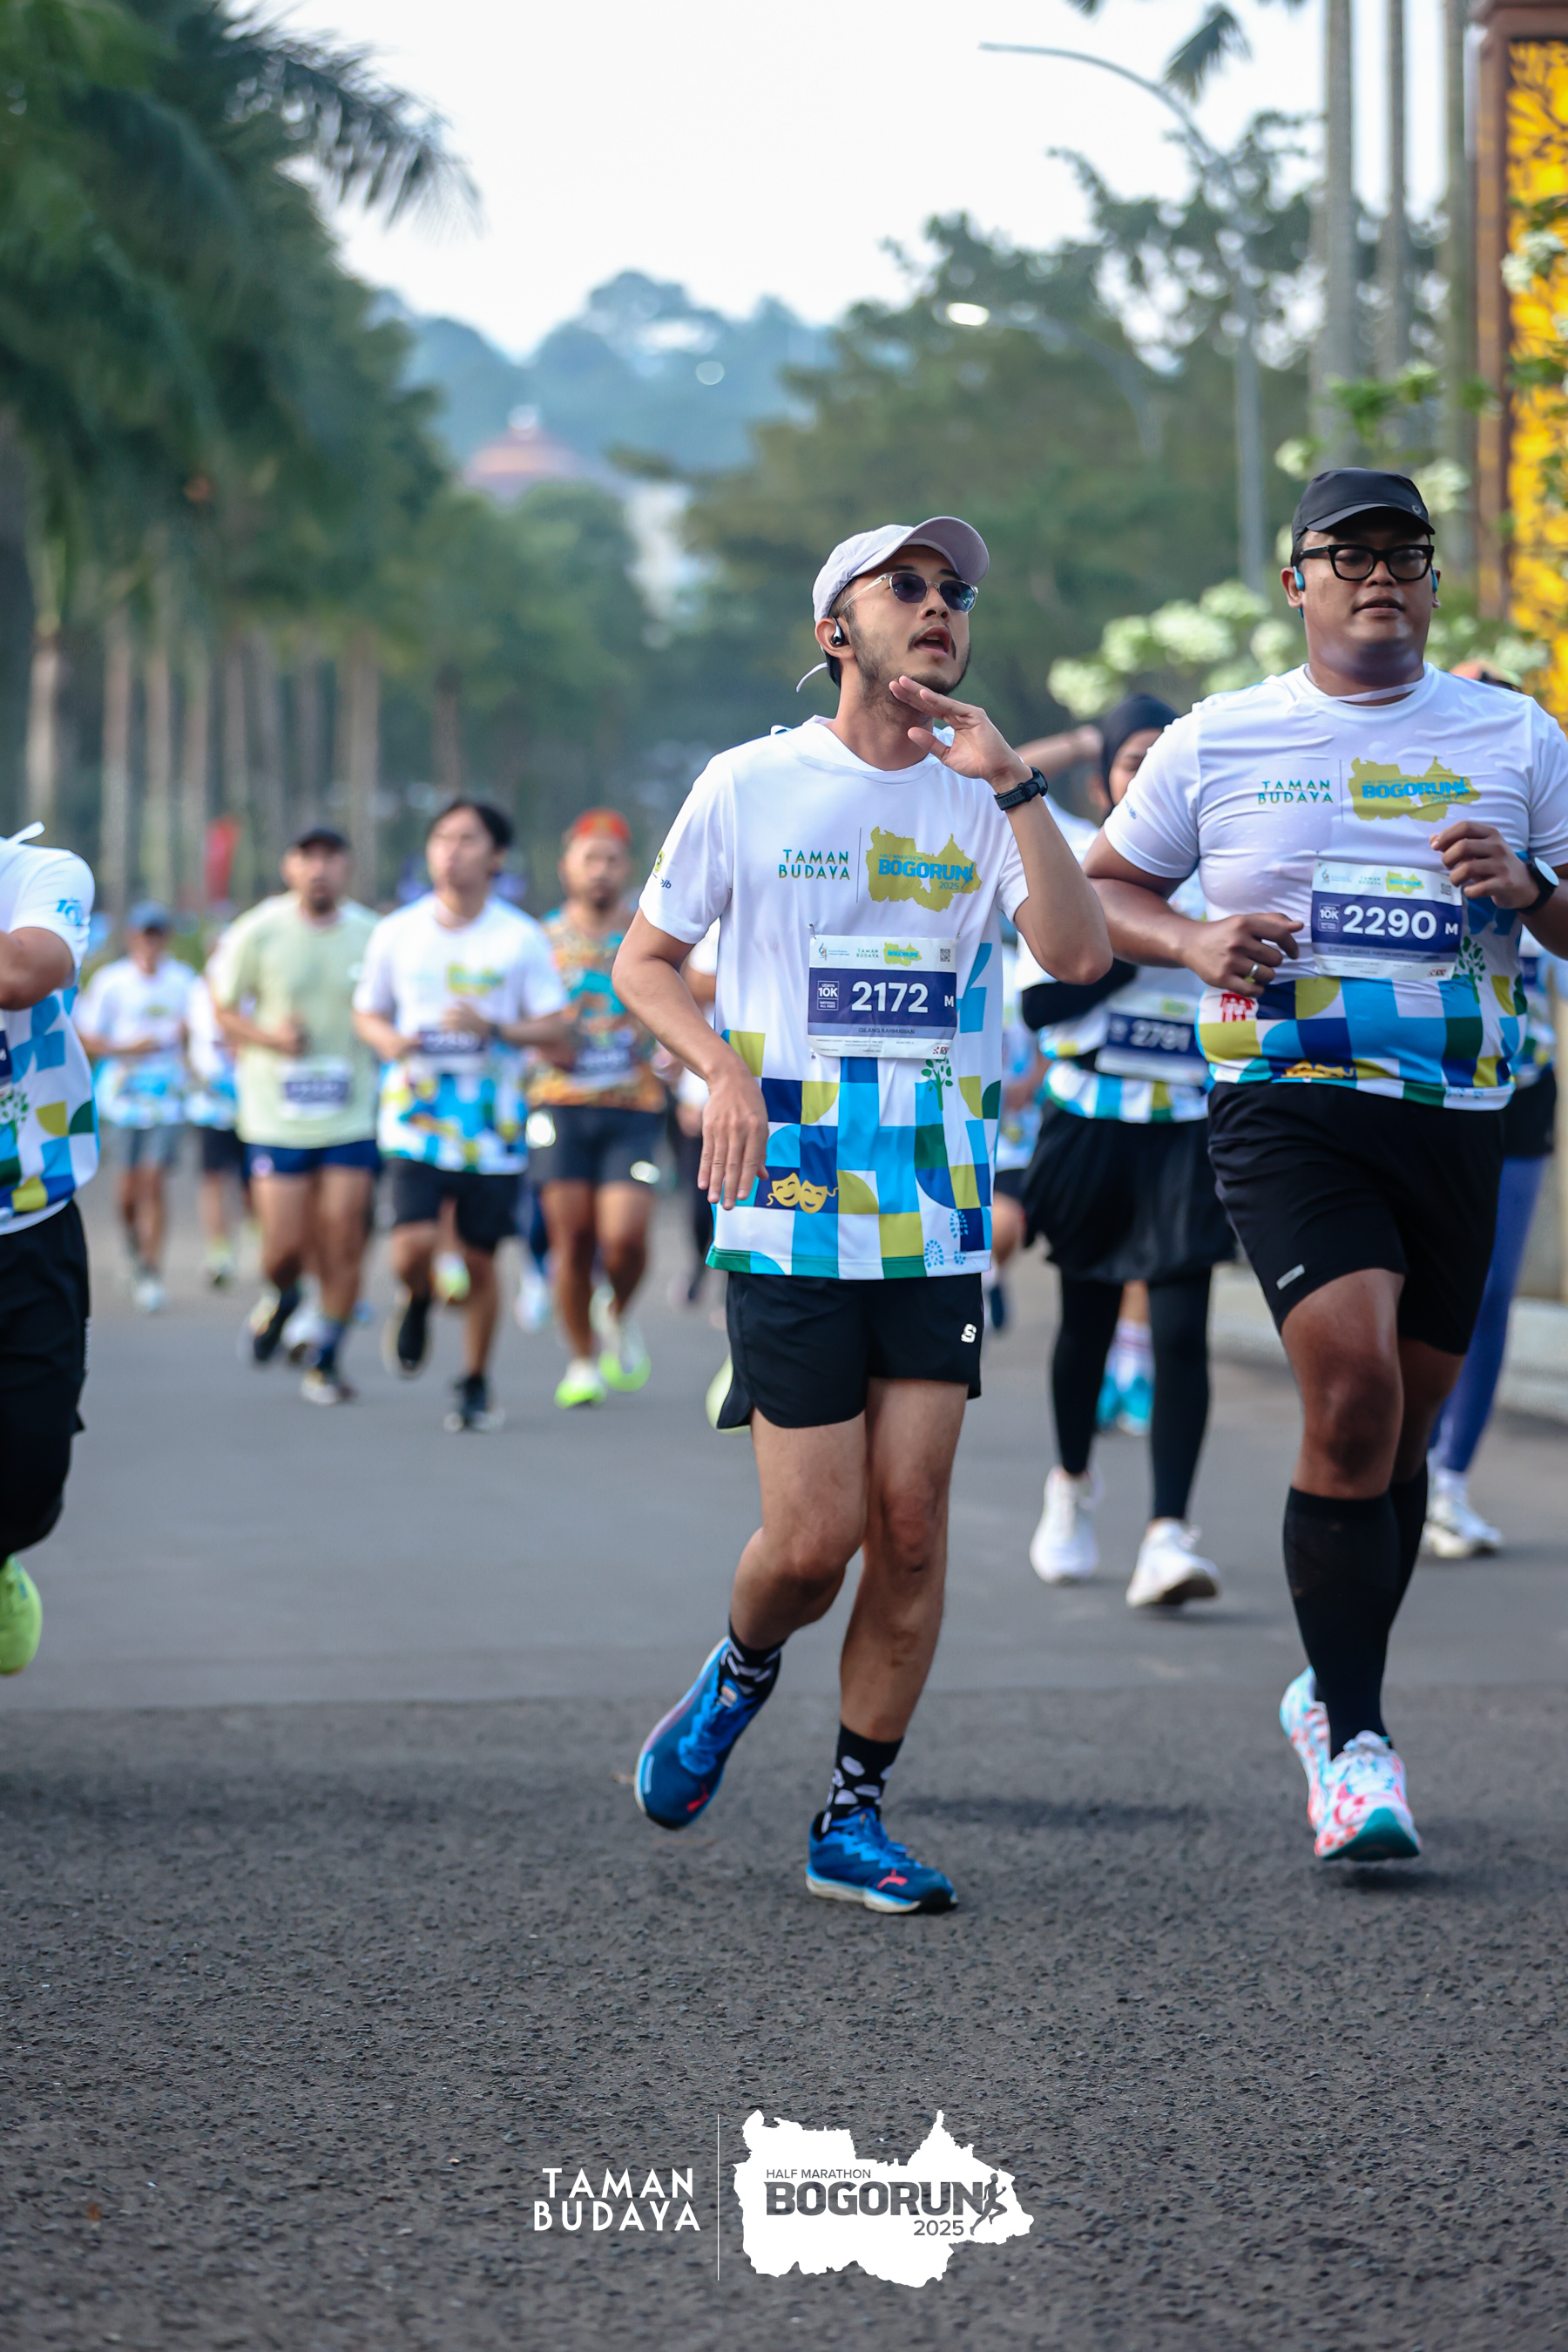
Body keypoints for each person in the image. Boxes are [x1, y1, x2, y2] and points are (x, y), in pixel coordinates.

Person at [613, 516, 1110, 1912]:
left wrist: (1015, 785)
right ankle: (738, 1671)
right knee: (812, 1544)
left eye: (955, 591)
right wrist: (718, 1071)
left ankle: (852, 1815)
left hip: (935, 1203)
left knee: (912, 1525)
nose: (940, 605)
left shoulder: (986, 794)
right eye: (908, 586)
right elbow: (644, 962)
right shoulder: (749, 783)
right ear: (839, 630)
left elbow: (1077, 956)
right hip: (790, 1199)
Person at [1082, 467, 1568, 1862]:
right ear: (1297, 583)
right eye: (1348, 556)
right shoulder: (1219, 738)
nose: (1379, 577)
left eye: (1403, 554)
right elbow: (1108, 888)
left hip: (1457, 1112)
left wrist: (1530, 891)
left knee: (1395, 1437)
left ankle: (1331, 1686)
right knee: (1351, 1389)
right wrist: (1192, 940)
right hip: (1289, 1104)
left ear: (1432, 579)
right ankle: (1356, 1743)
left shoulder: (1516, 736)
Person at [1016, 693, 1232, 1608]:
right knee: (1088, 1325)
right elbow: (1040, 1004)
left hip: (1190, 1123)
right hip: (1090, 1119)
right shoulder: (1073, 866)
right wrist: (1151, 935)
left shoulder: (1228, 871)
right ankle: (1070, 1485)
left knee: (1181, 1331)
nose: (1147, 776)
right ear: (1104, 779)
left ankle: (1168, 1534)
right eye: (1132, 761)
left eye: (1162, 760)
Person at [353, 798, 571, 1432]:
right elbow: (367, 1010)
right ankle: (417, 1295)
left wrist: (494, 1027)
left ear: (496, 856)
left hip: (492, 1122)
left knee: (479, 1261)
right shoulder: (397, 932)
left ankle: (475, 1381)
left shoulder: (519, 937)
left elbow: (557, 1025)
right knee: (411, 1247)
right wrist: (388, 1041)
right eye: (442, 838)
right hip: (416, 1113)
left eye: (467, 839)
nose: (451, 850)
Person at [209, 826, 380, 1404]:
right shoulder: (257, 931)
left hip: (350, 1112)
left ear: (347, 868)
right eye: (308, 858)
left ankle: (326, 1356)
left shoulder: (371, 935)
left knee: (344, 1235)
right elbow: (222, 1010)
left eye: (331, 858)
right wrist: (270, 1039)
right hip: (275, 1115)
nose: (319, 869)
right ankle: (284, 1297)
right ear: (289, 867)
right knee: (282, 1249)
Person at [525, 808, 667, 1408]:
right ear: (566, 868)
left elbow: (682, 997)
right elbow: (513, 1011)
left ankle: (617, 1310)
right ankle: (582, 1361)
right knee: (574, 1237)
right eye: (590, 859)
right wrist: (541, 1039)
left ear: (628, 868)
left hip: (634, 1105)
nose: (601, 871)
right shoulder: (538, 940)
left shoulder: (650, 934)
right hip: (559, 1104)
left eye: (611, 860)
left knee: (625, 1237)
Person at [1424, 934, 1562, 1553]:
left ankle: (1450, 1486)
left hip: (1522, 1089)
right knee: (1423, 1284)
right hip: (1429, 1084)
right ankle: (1408, 1466)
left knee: (1491, 1292)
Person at [0, 823, 97, 1678]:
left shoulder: (40, 874)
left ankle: (4, 1550)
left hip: (27, 1220)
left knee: (31, 1467)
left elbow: (22, 975)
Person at [73, 901, 193, 1314]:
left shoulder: (183, 981)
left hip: (168, 1099)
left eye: (157, 934)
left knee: (153, 1179)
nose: (150, 943)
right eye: (144, 934)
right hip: (121, 1099)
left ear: (166, 938)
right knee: (127, 1189)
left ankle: (151, 1270)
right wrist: (129, 1048)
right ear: (132, 938)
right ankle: (133, 1251)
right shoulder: (111, 982)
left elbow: (200, 1031)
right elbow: (86, 1038)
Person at [184, 955, 247, 1287]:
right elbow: (183, 1034)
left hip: (253, 1104)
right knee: (214, 1178)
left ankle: (264, 1245)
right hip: (210, 1104)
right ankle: (219, 1252)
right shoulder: (196, 991)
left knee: (255, 1182)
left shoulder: (255, 991)